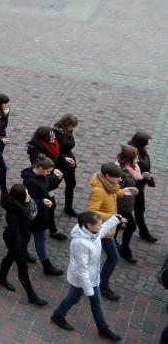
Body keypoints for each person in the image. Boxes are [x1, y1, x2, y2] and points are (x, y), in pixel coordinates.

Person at [50, 211, 124, 341]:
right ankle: (102, 328)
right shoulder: (80, 243)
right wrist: (89, 290)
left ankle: (58, 315)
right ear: (89, 225)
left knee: (74, 298)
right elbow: (82, 269)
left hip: (91, 277)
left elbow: (104, 229)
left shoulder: (93, 233)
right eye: (98, 225)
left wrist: (116, 219)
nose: (101, 227)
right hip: (83, 279)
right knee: (90, 301)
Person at [86, 162, 137, 302]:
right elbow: (91, 212)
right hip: (103, 231)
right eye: (117, 178)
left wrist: (123, 192)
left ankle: (91, 278)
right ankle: (102, 285)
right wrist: (114, 218)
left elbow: (112, 195)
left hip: (109, 228)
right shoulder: (98, 191)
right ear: (107, 176)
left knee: (97, 257)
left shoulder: (109, 185)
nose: (120, 180)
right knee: (114, 257)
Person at [0, 182, 47, 306]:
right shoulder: (13, 214)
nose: (29, 195)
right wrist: (21, 253)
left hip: (21, 239)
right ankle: (32, 296)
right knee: (22, 268)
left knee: (9, 258)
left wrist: (41, 203)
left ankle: (1, 279)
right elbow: (15, 236)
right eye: (26, 194)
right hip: (15, 241)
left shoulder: (20, 204)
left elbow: (31, 206)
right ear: (19, 198)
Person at [21, 155, 66, 277]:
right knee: (29, 237)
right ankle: (44, 264)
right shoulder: (30, 181)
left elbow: (47, 185)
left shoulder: (39, 176)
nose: (48, 174)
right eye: (47, 171)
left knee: (38, 238)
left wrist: (56, 178)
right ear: (40, 168)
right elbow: (28, 201)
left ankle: (45, 264)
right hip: (33, 216)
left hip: (40, 214)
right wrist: (42, 202)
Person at [127, 132, 158, 243]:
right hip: (135, 187)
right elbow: (130, 173)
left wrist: (150, 179)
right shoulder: (133, 156)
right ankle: (143, 231)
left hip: (141, 184)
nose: (149, 146)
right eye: (147, 144)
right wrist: (143, 177)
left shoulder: (142, 152)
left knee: (139, 208)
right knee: (139, 209)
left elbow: (146, 168)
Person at [52, 114, 79, 216]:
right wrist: (64, 158)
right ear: (67, 124)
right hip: (60, 164)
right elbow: (53, 152)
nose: (73, 128)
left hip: (68, 163)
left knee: (71, 184)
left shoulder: (68, 131)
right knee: (53, 184)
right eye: (72, 126)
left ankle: (68, 207)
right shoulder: (56, 135)